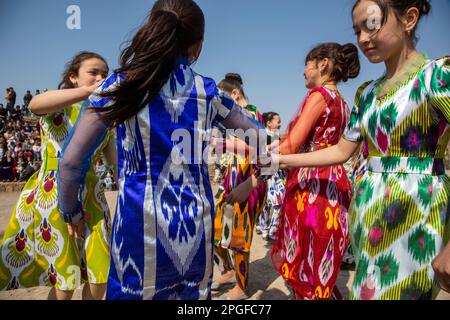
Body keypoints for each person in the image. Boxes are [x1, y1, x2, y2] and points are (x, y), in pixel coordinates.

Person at [57, 0, 267, 300]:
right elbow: (259, 137)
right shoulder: (208, 92)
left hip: (137, 235)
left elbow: (70, 163)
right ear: (197, 46)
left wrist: (71, 211)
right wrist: (255, 178)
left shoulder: (119, 87)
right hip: (196, 233)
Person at [276, 0, 448, 300]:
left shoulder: (436, 78)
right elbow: (340, 151)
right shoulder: (366, 93)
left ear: (409, 19)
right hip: (367, 214)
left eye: (371, 25)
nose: (363, 39)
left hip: (417, 214)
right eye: (357, 31)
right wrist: (281, 158)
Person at [0, 51, 114, 300]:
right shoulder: (58, 104)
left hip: (93, 196)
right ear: (73, 77)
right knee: (65, 277)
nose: (100, 77)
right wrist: (87, 93)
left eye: (105, 74)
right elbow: (34, 104)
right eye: (93, 72)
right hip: (53, 192)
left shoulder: (106, 115)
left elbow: (116, 163)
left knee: (100, 269)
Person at [268, 43, 360, 300]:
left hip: (313, 187)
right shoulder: (341, 102)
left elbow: (291, 145)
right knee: (322, 264)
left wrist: (258, 153)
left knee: (306, 267)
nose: (304, 71)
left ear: (323, 64)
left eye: (307, 64)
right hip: (334, 184)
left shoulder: (319, 95)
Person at [212, 73, 267, 300]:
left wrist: (220, 143)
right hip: (232, 183)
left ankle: (242, 287)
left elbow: (256, 150)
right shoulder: (234, 117)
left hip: (249, 183)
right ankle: (228, 269)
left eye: (224, 98)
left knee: (239, 238)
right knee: (215, 230)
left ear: (235, 94)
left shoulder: (251, 115)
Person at [256, 112, 286, 241]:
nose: (280, 124)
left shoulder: (276, 137)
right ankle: (264, 227)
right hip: (266, 174)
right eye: (278, 122)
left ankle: (272, 229)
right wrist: (274, 144)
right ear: (268, 123)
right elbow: (261, 151)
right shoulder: (264, 136)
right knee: (266, 203)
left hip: (277, 175)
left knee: (278, 203)